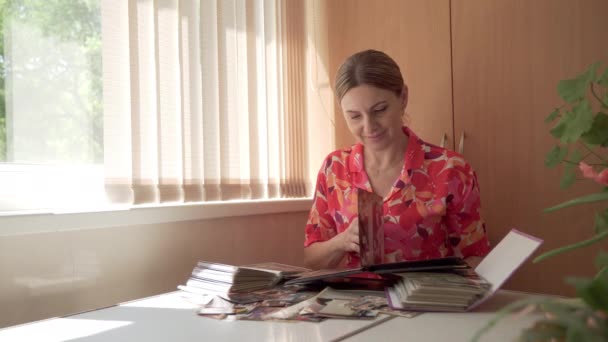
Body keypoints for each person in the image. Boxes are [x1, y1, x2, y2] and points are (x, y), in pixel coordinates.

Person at [303, 49, 490, 270]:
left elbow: (476, 256)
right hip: (355, 301)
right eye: (354, 116)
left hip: (426, 301)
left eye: (380, 110)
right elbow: (311, 261)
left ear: (403, 98)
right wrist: (341, 242)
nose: (369, 126)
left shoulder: (450, 169)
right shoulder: (334, 169)